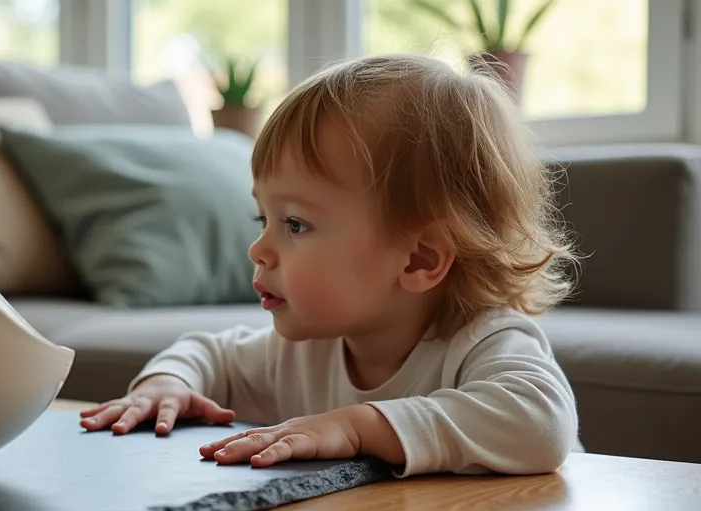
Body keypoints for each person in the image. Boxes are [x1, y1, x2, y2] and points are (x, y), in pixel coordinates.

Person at [79, 53, 582, 478]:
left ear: (420, 259)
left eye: (295, 224)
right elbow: (208, 355)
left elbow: (540, 423)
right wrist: (166, 385)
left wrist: (354, 425)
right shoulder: (303, 349)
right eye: (264, 217)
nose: (258, 249)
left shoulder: (483, 340)